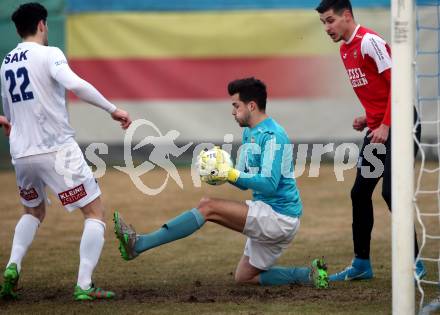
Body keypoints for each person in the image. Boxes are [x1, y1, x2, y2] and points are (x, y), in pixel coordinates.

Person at [114, 77, 329, 289]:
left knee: (207, 207)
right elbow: (245, 182)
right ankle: (308, 274)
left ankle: (139, 244)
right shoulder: (249, 133)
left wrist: (230, 173)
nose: (233, 111)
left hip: (279, 216)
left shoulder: (273, 136)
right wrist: (220, 172)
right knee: (244, 277)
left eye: (236, 105)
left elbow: (269, 184)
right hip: (271, 213)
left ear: (251, 105)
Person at [0, 2, 131, 300]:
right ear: (43, 25)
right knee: (94, 213)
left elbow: (9, 109)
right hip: (56, 149)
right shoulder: (50, 53)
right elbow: (75, 84)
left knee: (33, 211)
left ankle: (12, 266)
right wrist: (112, 109)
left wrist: (11, 125)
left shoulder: (6, 61)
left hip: (21, 154)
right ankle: (84, 285)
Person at [315, 0, 425, 281]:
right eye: (323, 23)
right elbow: (378, 89)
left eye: (330, 21)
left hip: (401, 127)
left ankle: (415, 264)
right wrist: (369, 117)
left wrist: (387, 124)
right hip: (379, 128)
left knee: (392, 193)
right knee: (360, 193)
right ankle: (361, 264)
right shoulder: (345, 50)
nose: (326, 28)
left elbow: (399, 84)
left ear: (347, 16)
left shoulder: (369, 42)